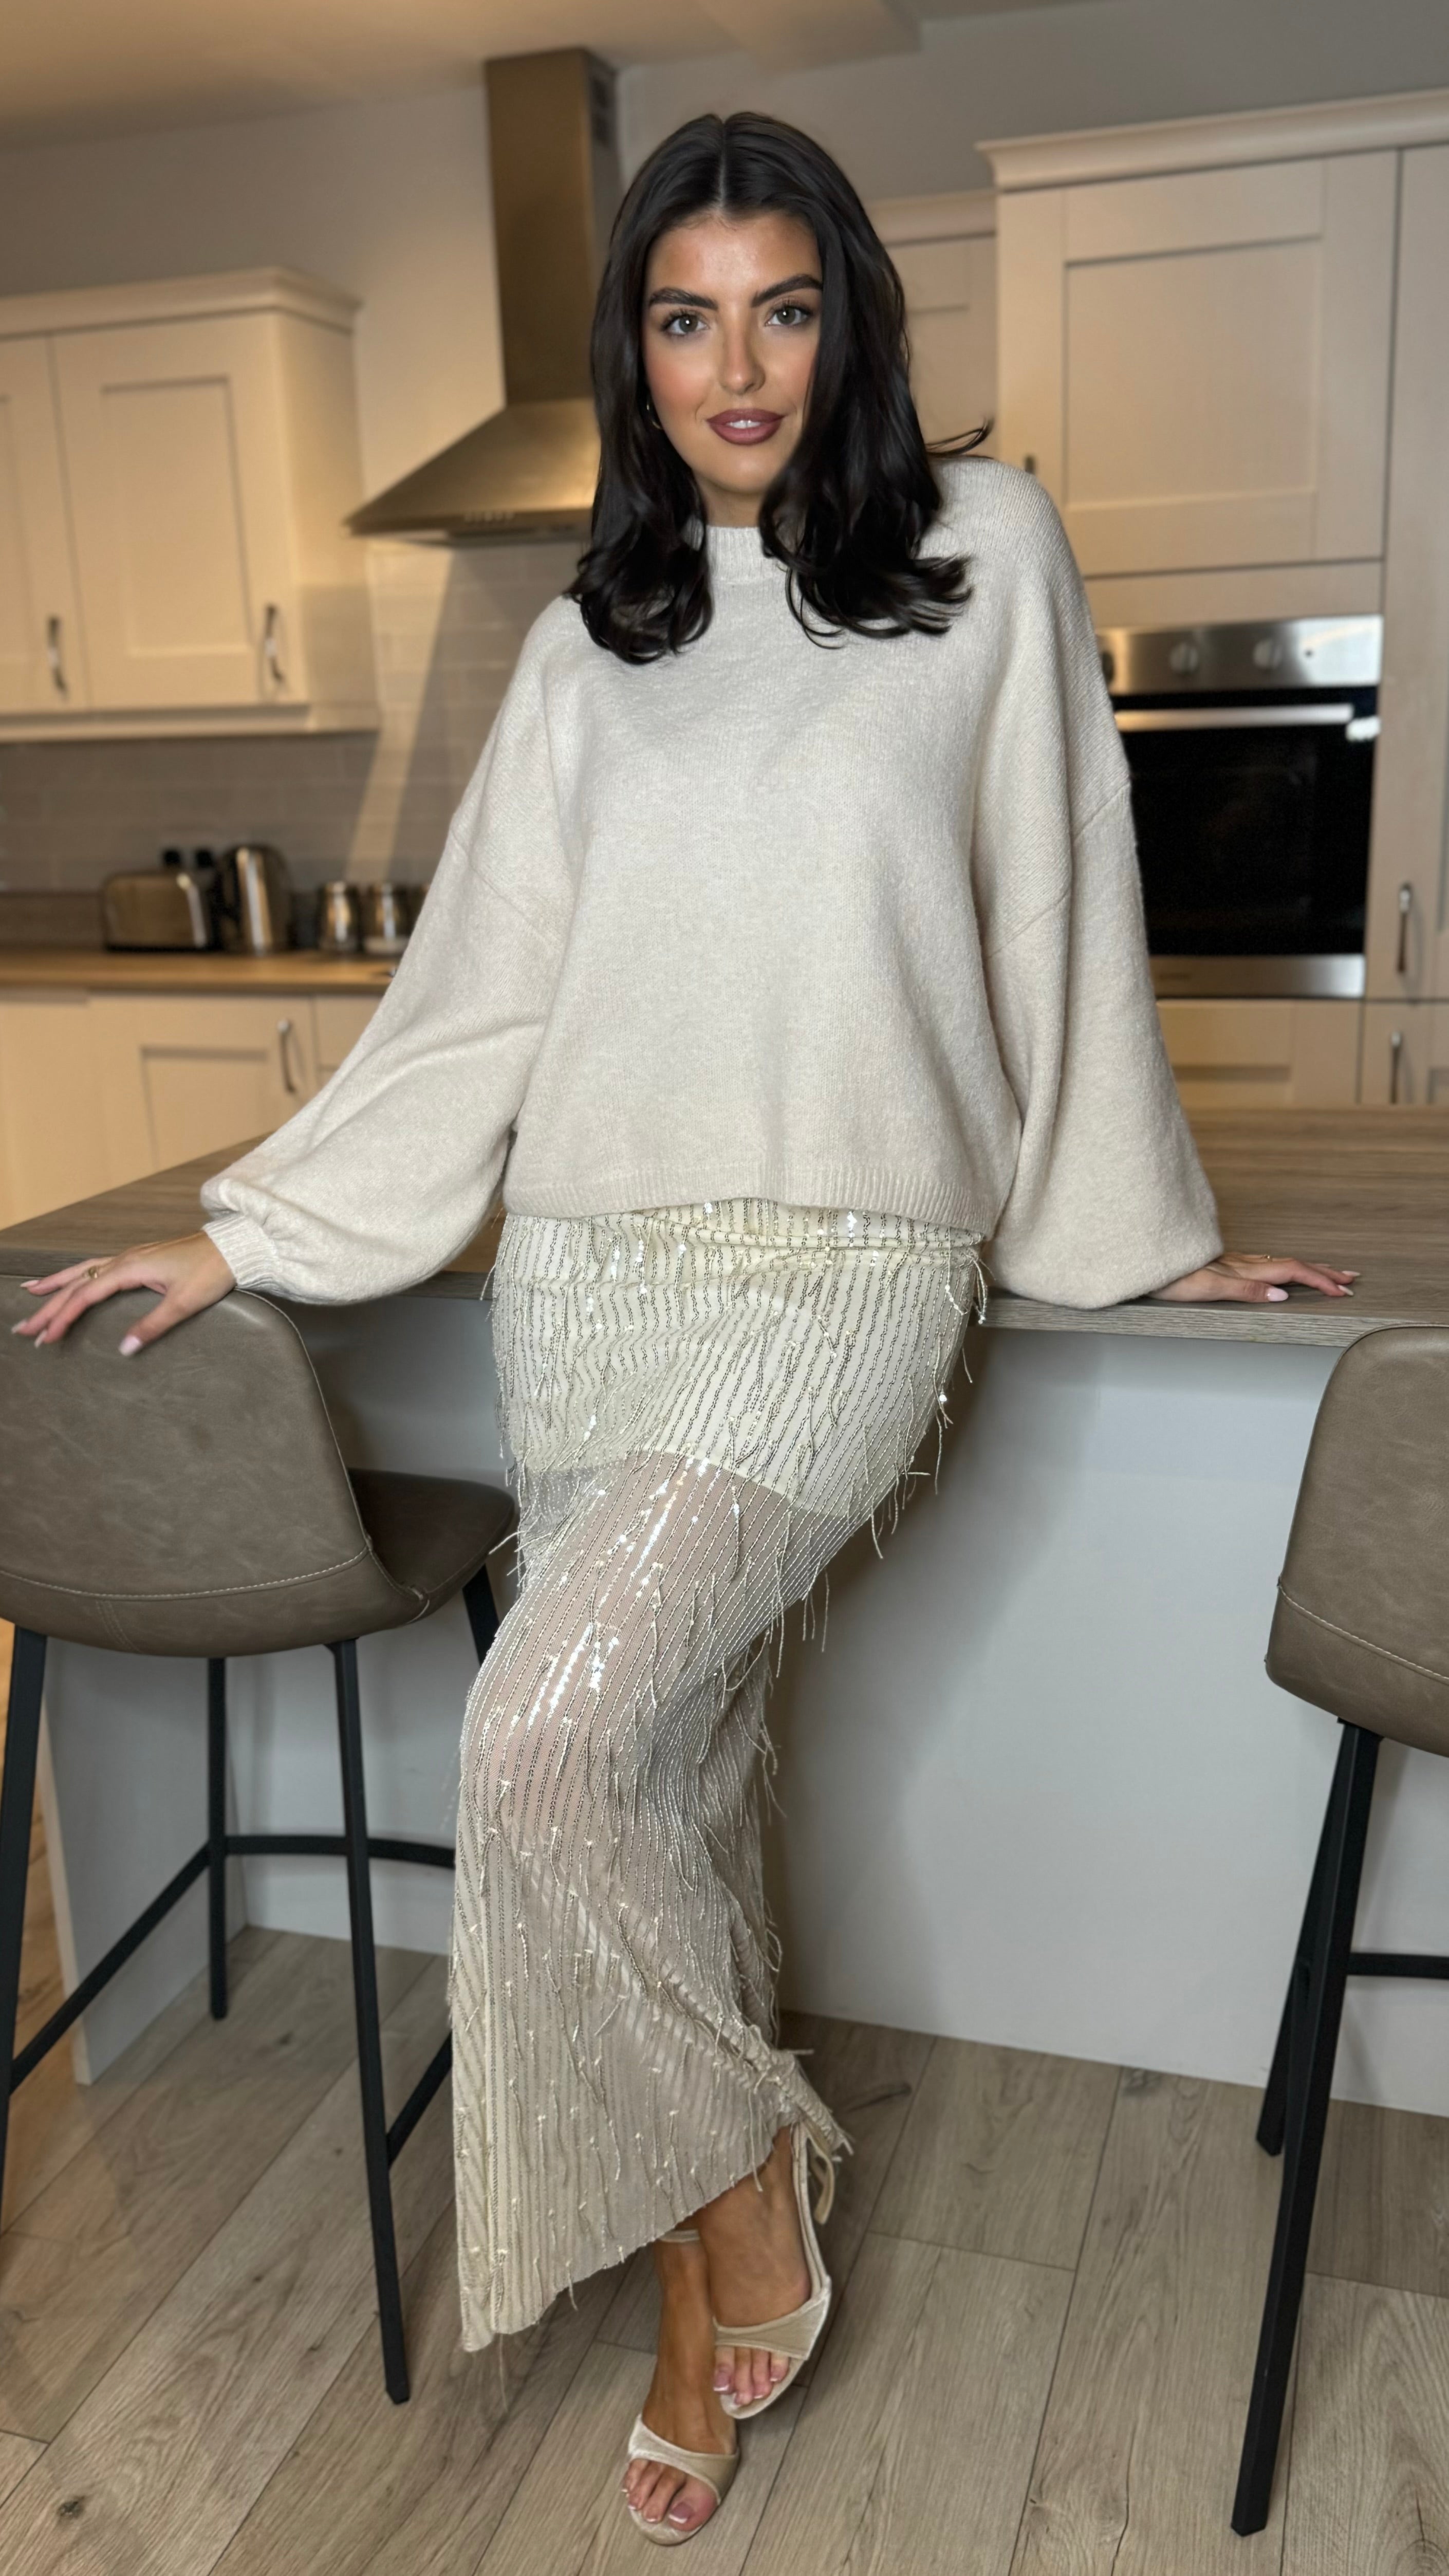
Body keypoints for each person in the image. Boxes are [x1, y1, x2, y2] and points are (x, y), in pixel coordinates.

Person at [15, 113, 1353, 2545]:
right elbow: (476, 999)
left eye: (783, 309)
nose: (738, 366)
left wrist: (1135, 1228)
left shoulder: (985, 552)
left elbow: (1060, 908)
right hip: (593, 1274)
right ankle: (692, 2303)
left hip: (846, 1275)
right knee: (666, 1781)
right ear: (635, 352)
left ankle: (747, 2172)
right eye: (683, 316)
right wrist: (252, 1226)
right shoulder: (588, 643)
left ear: (849, 324)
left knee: (537, 1743)